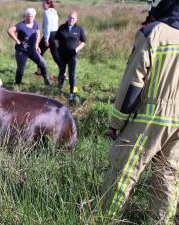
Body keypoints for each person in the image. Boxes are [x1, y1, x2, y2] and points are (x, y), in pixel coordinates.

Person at [101, 0, 179, 223]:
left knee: (123, 171)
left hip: (151, 116)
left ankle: (107, 217)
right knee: (168, 176)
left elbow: (133, 83)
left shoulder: (152, 33)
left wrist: (117, 123)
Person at [8, 8, 51, 86]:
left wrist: (37, 45)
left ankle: (47, 81)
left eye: (32, 16)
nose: (30, 18)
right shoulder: (21, 25)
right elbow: (10, 30)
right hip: (21, 51)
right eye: (28, 16)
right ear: (26, 16)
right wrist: (17, 40)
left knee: (43, 63)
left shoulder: (35, 24)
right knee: (21, 70)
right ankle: (17, 85)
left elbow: (38, 33)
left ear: (34, 16)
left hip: (32, 50)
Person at [55, 11, 86, 101]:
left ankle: (71, 93)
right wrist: (58, 47)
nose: (71, 20)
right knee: (61, 71)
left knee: (71, 73)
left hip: (72, 55)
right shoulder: (62, 27)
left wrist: (76, 49)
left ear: (76, 19)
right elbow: (56, 39)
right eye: (70, 17)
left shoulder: (79, 29)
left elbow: (83, 42)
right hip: (62, 54)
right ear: (67, 18)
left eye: (73, 18)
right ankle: (59, 88)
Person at [37, 0, 59, 75]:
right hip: (55, 34)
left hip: (49, 35)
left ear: (48, 4)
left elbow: (48, 26)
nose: (42, 5)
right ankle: (63, 73)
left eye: (43, 3)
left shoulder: (46, 12)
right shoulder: (54, 11)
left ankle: (40, 70)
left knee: (38, 50)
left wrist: (46, 38)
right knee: (55, 55)